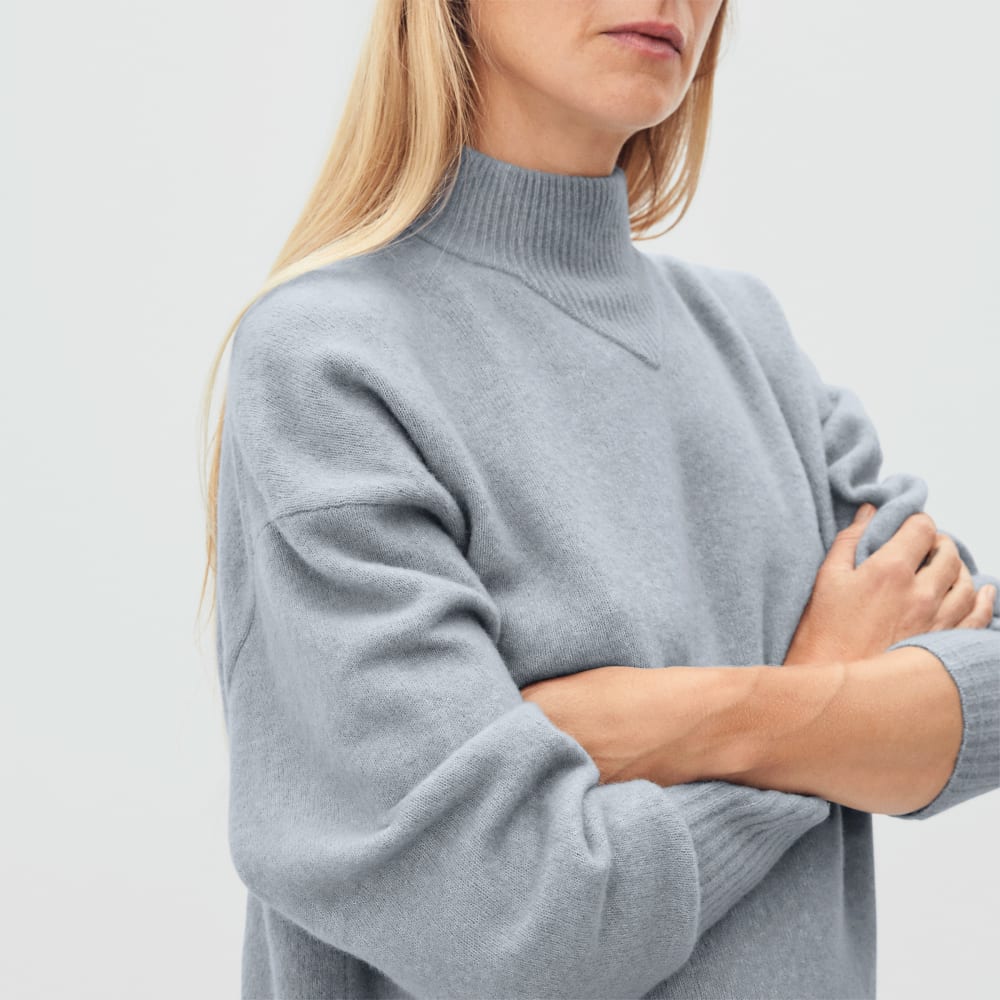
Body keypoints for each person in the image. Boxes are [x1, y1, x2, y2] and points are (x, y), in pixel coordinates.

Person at [197, 1, 1000, 997]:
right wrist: (832, 699)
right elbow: (522, 918)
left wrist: (690, 720)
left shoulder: (752, 344)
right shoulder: (330, 363)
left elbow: (987, 683)